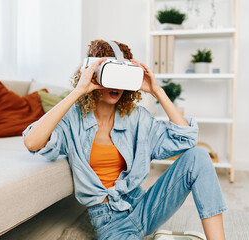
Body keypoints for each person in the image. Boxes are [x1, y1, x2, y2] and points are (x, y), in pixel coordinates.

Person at [23, 40, 227, 240]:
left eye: (124, 75)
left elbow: (185, 140)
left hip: (143, 206)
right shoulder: (74, 121)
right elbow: (33, 142)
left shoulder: (136, 118)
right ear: (93, 73)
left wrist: (157, 90)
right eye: (111, 73)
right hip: (110, 222)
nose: (117, 85)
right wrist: (78, 90)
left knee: (198, 156)